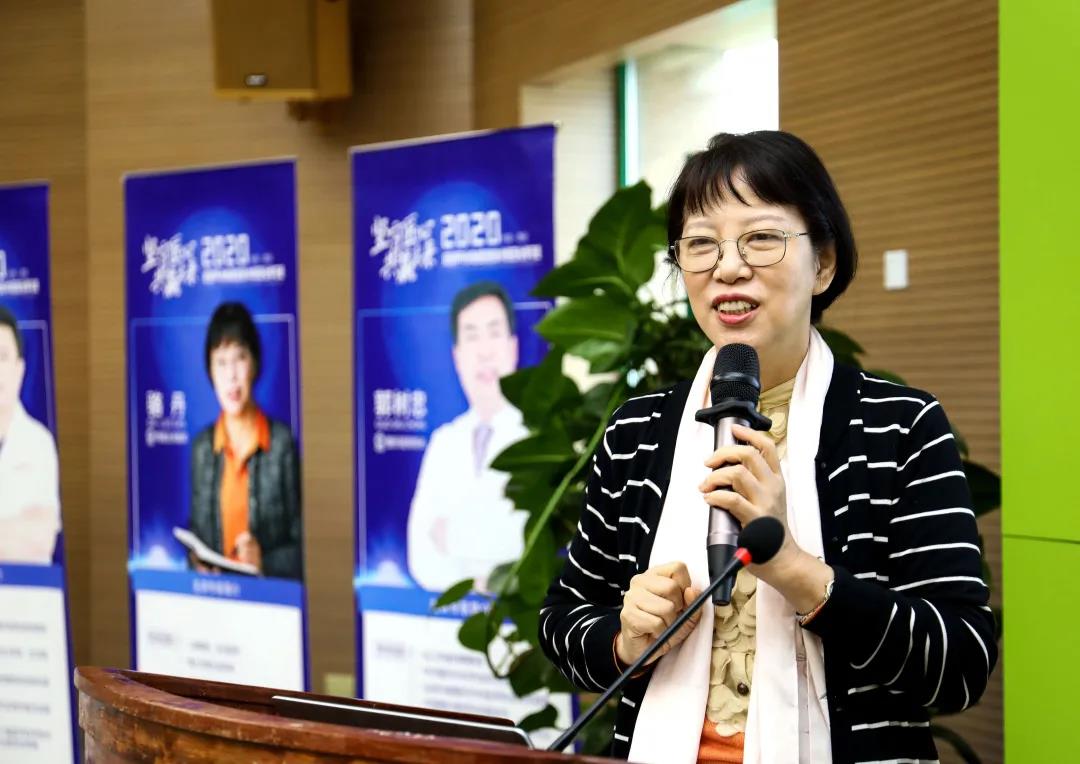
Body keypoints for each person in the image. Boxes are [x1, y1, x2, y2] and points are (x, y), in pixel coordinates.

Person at [538, 131, 996, 763]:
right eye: (701, 244)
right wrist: (624, 637)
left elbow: (960, 664)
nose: (727, 267)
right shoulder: (637, 430)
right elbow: (563, 621)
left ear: (823, 264)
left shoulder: (900, 427)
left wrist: (795, 570)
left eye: (760, 237)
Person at [407, 281, 529, 592]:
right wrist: (480, 575)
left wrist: (451, 534)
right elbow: (420, 553)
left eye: (494, 333)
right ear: (457, 356)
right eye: (472, 336)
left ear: (513, 347)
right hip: (444, 617)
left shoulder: (537, 436)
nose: (484, 351)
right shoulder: (443, 441)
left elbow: (525, 544)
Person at [188, 301, 302, 580]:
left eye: (240, 358)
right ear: (210, 372)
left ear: (255, 363)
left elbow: (305, 547)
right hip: (213, 597)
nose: (231, 376)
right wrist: (194, 561)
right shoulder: (202, 449)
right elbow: (197, 533)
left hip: (266, 599)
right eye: (221, 362)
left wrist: (265, 562)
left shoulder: (281, 445)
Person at [0, 305, 61, 564]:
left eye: (2, 357)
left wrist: (27, 532)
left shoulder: (39, 443)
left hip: (25, 587)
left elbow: (40, 542)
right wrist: (15, 528)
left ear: (19, 369)